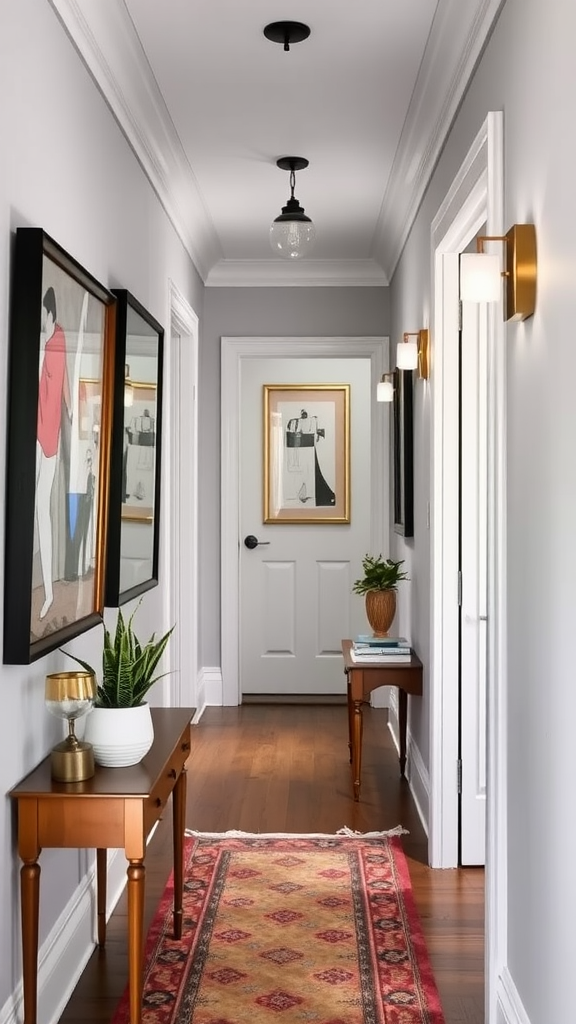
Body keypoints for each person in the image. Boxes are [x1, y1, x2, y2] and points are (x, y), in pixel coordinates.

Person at [36, 287, 71, 619]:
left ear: (48, 314)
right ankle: (45, 590)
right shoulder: (47, 344)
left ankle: (48, 593)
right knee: (35, 509)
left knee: (41, 510)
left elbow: (63, 384)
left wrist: (72, 413)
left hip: (49, 437)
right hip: (36, 431)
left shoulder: (56, 340)